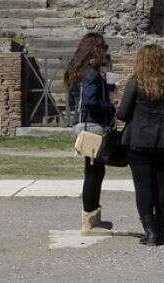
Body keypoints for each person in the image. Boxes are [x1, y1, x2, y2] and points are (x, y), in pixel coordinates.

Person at [116, 44, 164, 246]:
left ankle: (150, 231)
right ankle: (161, 228)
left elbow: (122, 114)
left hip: (139, 142)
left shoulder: (136, 83)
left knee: (143, 187)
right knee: (163, 186)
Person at [65, 32, 116, 235]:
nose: (105, 54)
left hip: (82, 123)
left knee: (94, 171)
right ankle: (89, 222)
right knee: (94, 173)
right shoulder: (91, 73)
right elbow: (90, 101)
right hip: (93, 125)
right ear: (95, 49)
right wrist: (110, 107)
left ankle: (94, 218)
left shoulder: (77, 70)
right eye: (103, 49)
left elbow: (73, 101)